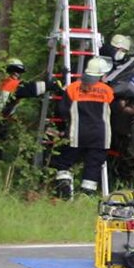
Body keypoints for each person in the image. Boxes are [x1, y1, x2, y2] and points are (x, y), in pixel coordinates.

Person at [53, 56, 114, 199]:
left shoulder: (72, 88)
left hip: (77, 134)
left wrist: (62, 127)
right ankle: (87, 196)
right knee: (93, 166)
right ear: (101, 75)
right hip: (101, 136)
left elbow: (62, 110)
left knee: (64, 161)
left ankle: (64, 192)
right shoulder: (108, 91)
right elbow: (114, 110)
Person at [0, 57, 46, 139]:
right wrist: (51, 85)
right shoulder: (12, 84)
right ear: (10, 72)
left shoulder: (0, 83)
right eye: (16, 72)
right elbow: (31, 89)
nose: (18, 75)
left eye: (19, 73)